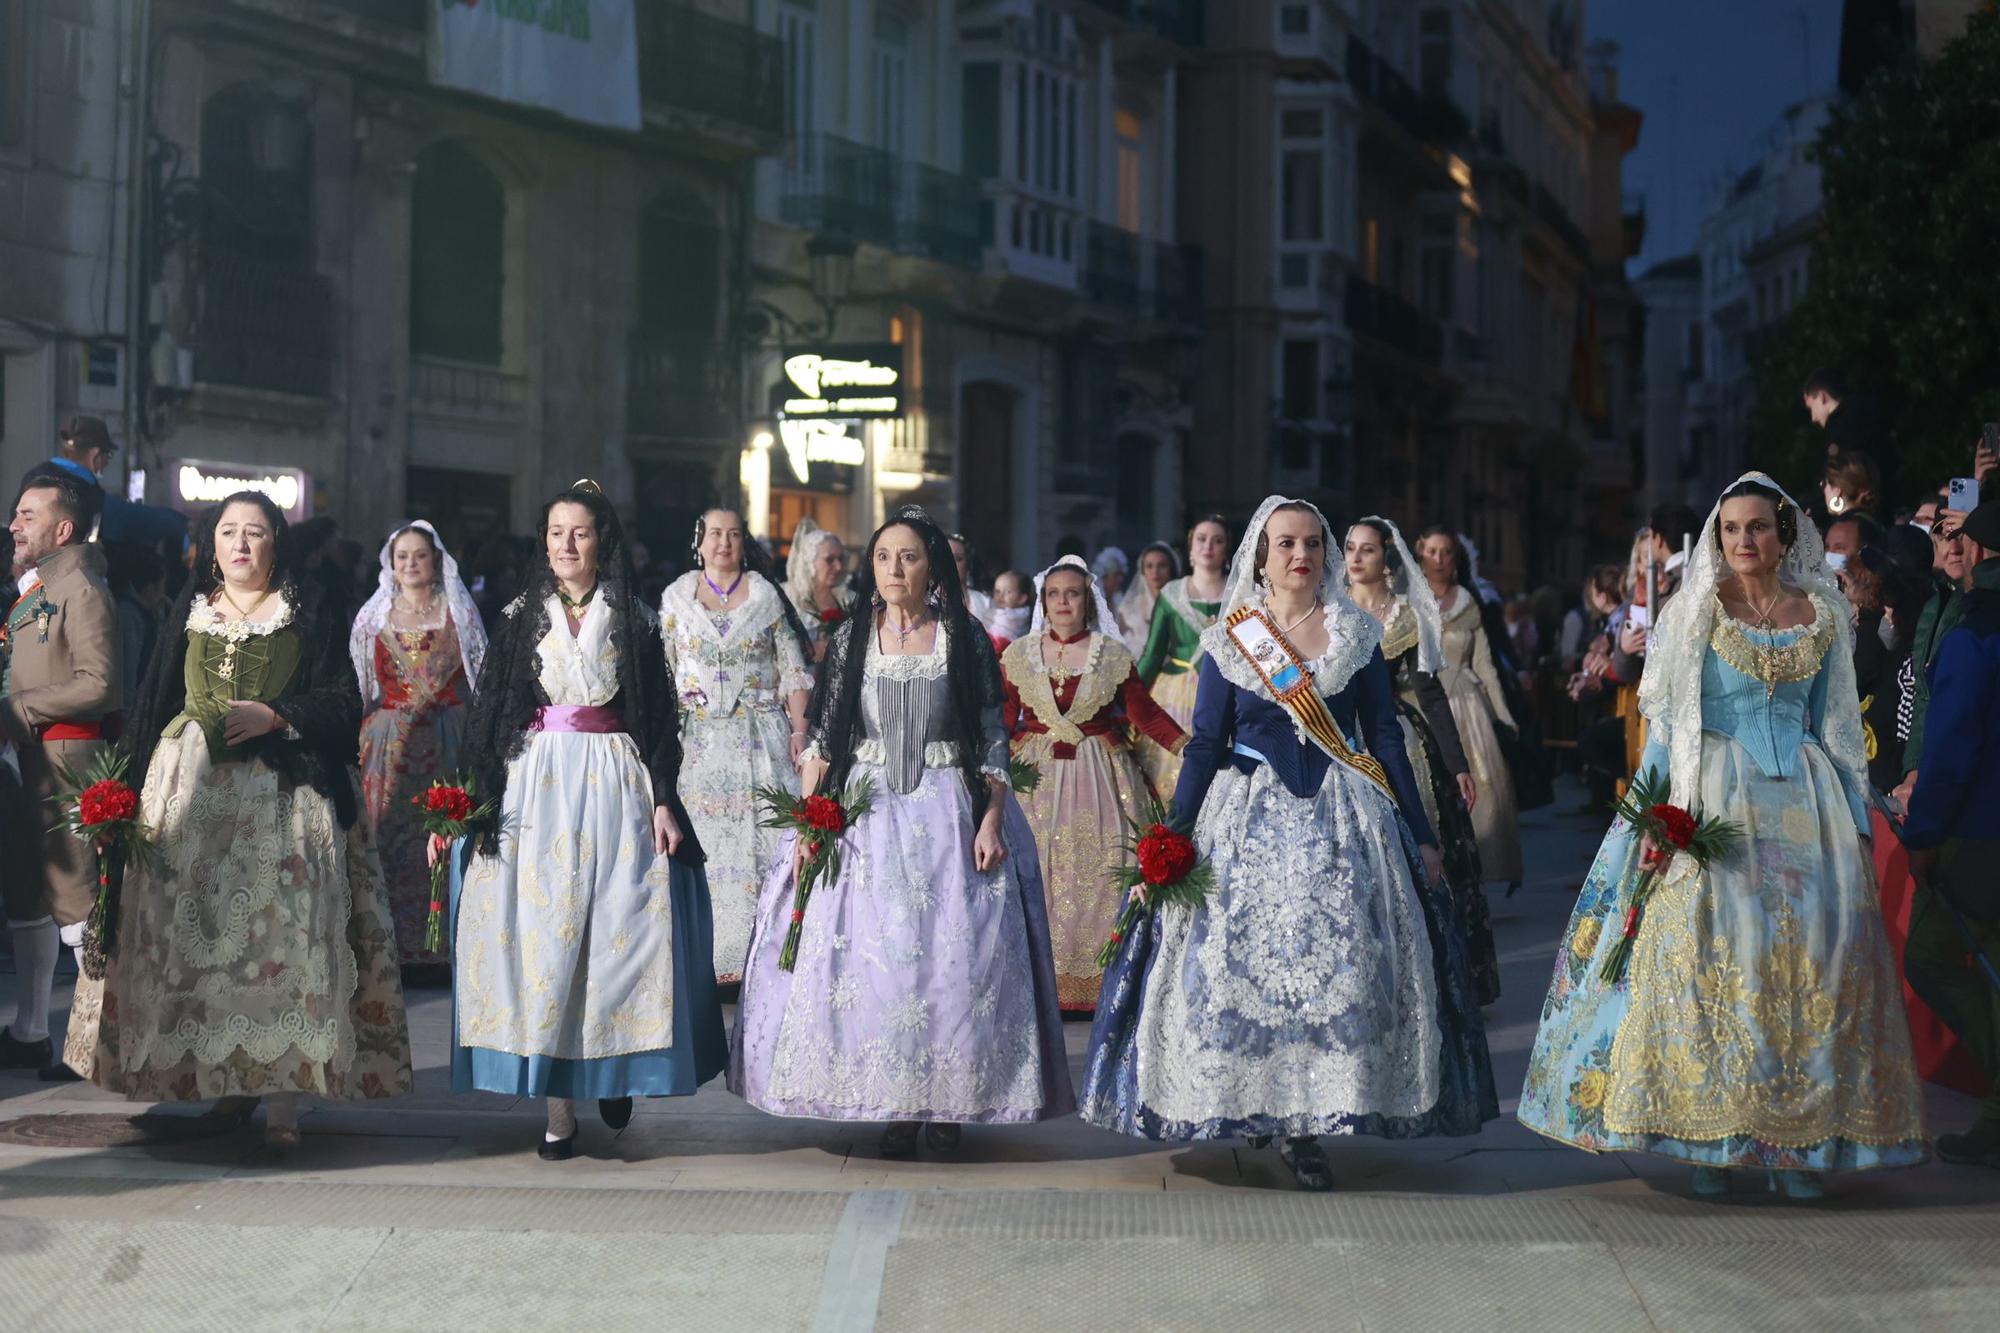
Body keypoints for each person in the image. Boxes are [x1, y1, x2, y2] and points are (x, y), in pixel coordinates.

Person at [1519, 473, 1927, 1199]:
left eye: (1758, 527)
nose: (1745, 540)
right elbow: (1670, 724)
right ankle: (1710, 1138)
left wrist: (1859, 827)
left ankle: (1800, 1143)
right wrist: (1652, 819)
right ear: (1718, 538)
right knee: (1714, 958)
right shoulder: (1692, 614)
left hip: (1809, 804)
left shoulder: (1824, 612)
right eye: (1732, 529)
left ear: (1783, 532)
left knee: (1813, 963)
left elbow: (1836, 726)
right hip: (1714, 797)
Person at [1082, 497, 1497, 1191]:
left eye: (1311, 544)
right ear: (1262, 555)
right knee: (1238, 967)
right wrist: (1171, 840)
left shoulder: (1356, 634)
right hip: (1243, 821)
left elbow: (1384, 739)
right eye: (1286, 545)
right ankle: (1254, 1103)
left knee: (1340, 965)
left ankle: (1308, 1123)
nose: (1300, 556)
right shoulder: (1228, 639)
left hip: (1342, 819)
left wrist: (1424, 836)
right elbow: (1208, 744)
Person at [64, 492, 412, 1149]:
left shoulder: (306, 613)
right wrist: (123, 794)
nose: (242, 544)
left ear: (277, 542)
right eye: (229, 532)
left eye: (255, 532)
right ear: (211, 544)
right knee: (203, 955)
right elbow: (150, 701)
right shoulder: (188, 614)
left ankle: (282, 1098)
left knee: (281, 948)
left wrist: (278, 715)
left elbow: (344, 699)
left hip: (283, 804)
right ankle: (223, 1082)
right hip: (190, 802)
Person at [731, 506, 1073, 1157]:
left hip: (949, 810)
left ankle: (947, 1104)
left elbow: (991, 730)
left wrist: (993, 815)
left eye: (909, 556)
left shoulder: (964, 636)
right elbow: (830, 737)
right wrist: (810, 825)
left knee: (951, 963)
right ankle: (893, 1102)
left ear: (931, 565)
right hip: (869, 814)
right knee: (881, 965)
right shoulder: (856, 638)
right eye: (885, 556)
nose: (895, 568)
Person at [453, 481, 724, 1160]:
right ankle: (557, 1110)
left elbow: (658, 718)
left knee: (615, 932)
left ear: (602, 538)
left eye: (578, 532)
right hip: (539, 784)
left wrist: (662, 797)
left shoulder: (632, 618)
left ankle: (613, 1068)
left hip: (613, 782)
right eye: (554, 533)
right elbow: (491, 714)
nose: (566, 545)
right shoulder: (521, 614)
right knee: (546, 940)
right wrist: (474, 799)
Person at [1002, 555, 1186, 1012]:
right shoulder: (1019, 655)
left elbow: (1144, 714)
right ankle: (1041, 984)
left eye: (1073, 593)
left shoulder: (1111, 654)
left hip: (1101, 775)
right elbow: (1004, 717)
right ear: (1042, 602)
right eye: (1054, 594)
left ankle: (1102, 980)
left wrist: (1188, 745)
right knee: (1037, 870)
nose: (1063, 602)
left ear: (1088, 600)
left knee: (1104, 871)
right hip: (1035, 775)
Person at [1343, 518, 1499, 1005]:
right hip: (1340, 736)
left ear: (1386, 559)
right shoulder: (1329, 609)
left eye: (1366, 550)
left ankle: (1428, 972)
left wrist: (1457, 765)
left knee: (1421, 846)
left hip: (1396, 731)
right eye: (1349, 548)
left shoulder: (1406, 616)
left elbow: (1429, 693)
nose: (1355, 557)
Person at [659, 507, 813, 985]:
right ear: (698, 542)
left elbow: (793, 668)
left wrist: (799, 730)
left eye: (733, 534)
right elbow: (663, 670)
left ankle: (760, 954)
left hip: (758, 736)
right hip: (696, 741)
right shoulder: (676, 598)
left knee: (761, 841)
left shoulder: (766, 596)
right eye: (714, 534)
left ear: (744, 542)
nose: (723, 542)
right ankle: (699, 956)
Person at [0, 474, 119, 1080]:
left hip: (64, 760)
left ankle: (94, 1041)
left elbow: (99, 683)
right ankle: (31, 1031)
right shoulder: (40, 587)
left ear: (62, 529)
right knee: (31, 897)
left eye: (26, 515)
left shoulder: (82, 586)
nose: (14, 524)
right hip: (28, 759)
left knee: (78, 904)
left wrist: (15, 712)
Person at [1901, 499, 2000, 1167]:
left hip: (1978, 837)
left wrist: (1924, 833)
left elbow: (1952, 743)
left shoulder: (1973, 633)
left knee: (1932, 958)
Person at [350, 521, 487, 968]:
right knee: (389, 838)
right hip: (389, 747)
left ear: (437, 561)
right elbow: (362, 682)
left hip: (446, 741)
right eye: (401, 556)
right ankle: (389, 945)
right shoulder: (373, 618)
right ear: (390, 564)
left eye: (419, 555)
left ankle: (440, 945)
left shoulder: (458, 614)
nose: (410, 564)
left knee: (442, 836)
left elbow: (477, 674)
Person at [1417, 527, 1521, 891]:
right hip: (1423, 705)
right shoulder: (1407, 602)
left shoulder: (1468, 602)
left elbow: (1485, 664)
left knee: (1482, 791)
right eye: (1432, 551)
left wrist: (1502, 715)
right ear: (1420, 554)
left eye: (1446, 551)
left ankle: (1472, 869)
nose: (1439, 559)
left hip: (1467, 703)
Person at [1135, 516, 1230, 797]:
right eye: (1201, 539)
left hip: (1226, 694)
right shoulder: (1171, 594)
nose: (1208, 546)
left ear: (1227, 549)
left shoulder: (1241, 595)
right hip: (1175, 696)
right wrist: (1126, 699)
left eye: (1217, 540)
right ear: (1190, 548)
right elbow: (1152, 654)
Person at [22, 415, 188, 553]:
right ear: (95, 454)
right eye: (107, 454)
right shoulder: (85, 491)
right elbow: (134, 520)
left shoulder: (33, 476)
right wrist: (181, 524)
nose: (107, 461)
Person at [106, 542, 169, 709]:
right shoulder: (129, 615)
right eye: (162, 588)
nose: (163, 596)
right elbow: (129, 668)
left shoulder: (136, 611)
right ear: (149, 589)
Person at [783, 518, 851, 664]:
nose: (838, 567)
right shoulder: (786, 596)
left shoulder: (849, 599)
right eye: (829, 560)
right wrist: (808, 651)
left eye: (841, 559)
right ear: (809, 562)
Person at [1117, 541, 1180, 656]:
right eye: (1149, 566)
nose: (1155, 571)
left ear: (1172, 569)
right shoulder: (1128, 609)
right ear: (1143, 571)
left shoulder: (1182, 604)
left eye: (1162, 566)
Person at [949, 532, 996, 629]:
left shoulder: (986, 603)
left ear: (968, 565)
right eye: (944, 556)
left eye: (958, 558)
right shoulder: (922, 601)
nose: (950, 563)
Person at [987, 569, 1034, 649]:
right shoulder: (992, 610)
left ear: (1022, 598)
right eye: (997, 591)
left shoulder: (1016, 617)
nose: (1001, 596)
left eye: (1008, 592)